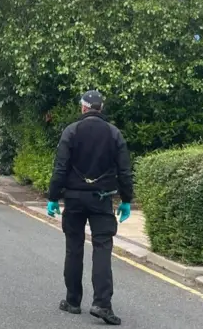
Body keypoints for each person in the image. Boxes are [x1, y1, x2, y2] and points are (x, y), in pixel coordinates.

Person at [45, 89, 134, 326]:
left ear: (83, 108)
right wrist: (126, 199)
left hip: (73, 199)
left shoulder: (71, 131)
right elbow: (125, 171)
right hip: (101, 198)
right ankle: (102, 304)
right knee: (102, 249)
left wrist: (53, 197)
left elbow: (60, 168)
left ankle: (73, 301)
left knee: (74, 248)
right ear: (100, 108)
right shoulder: (114, 133)